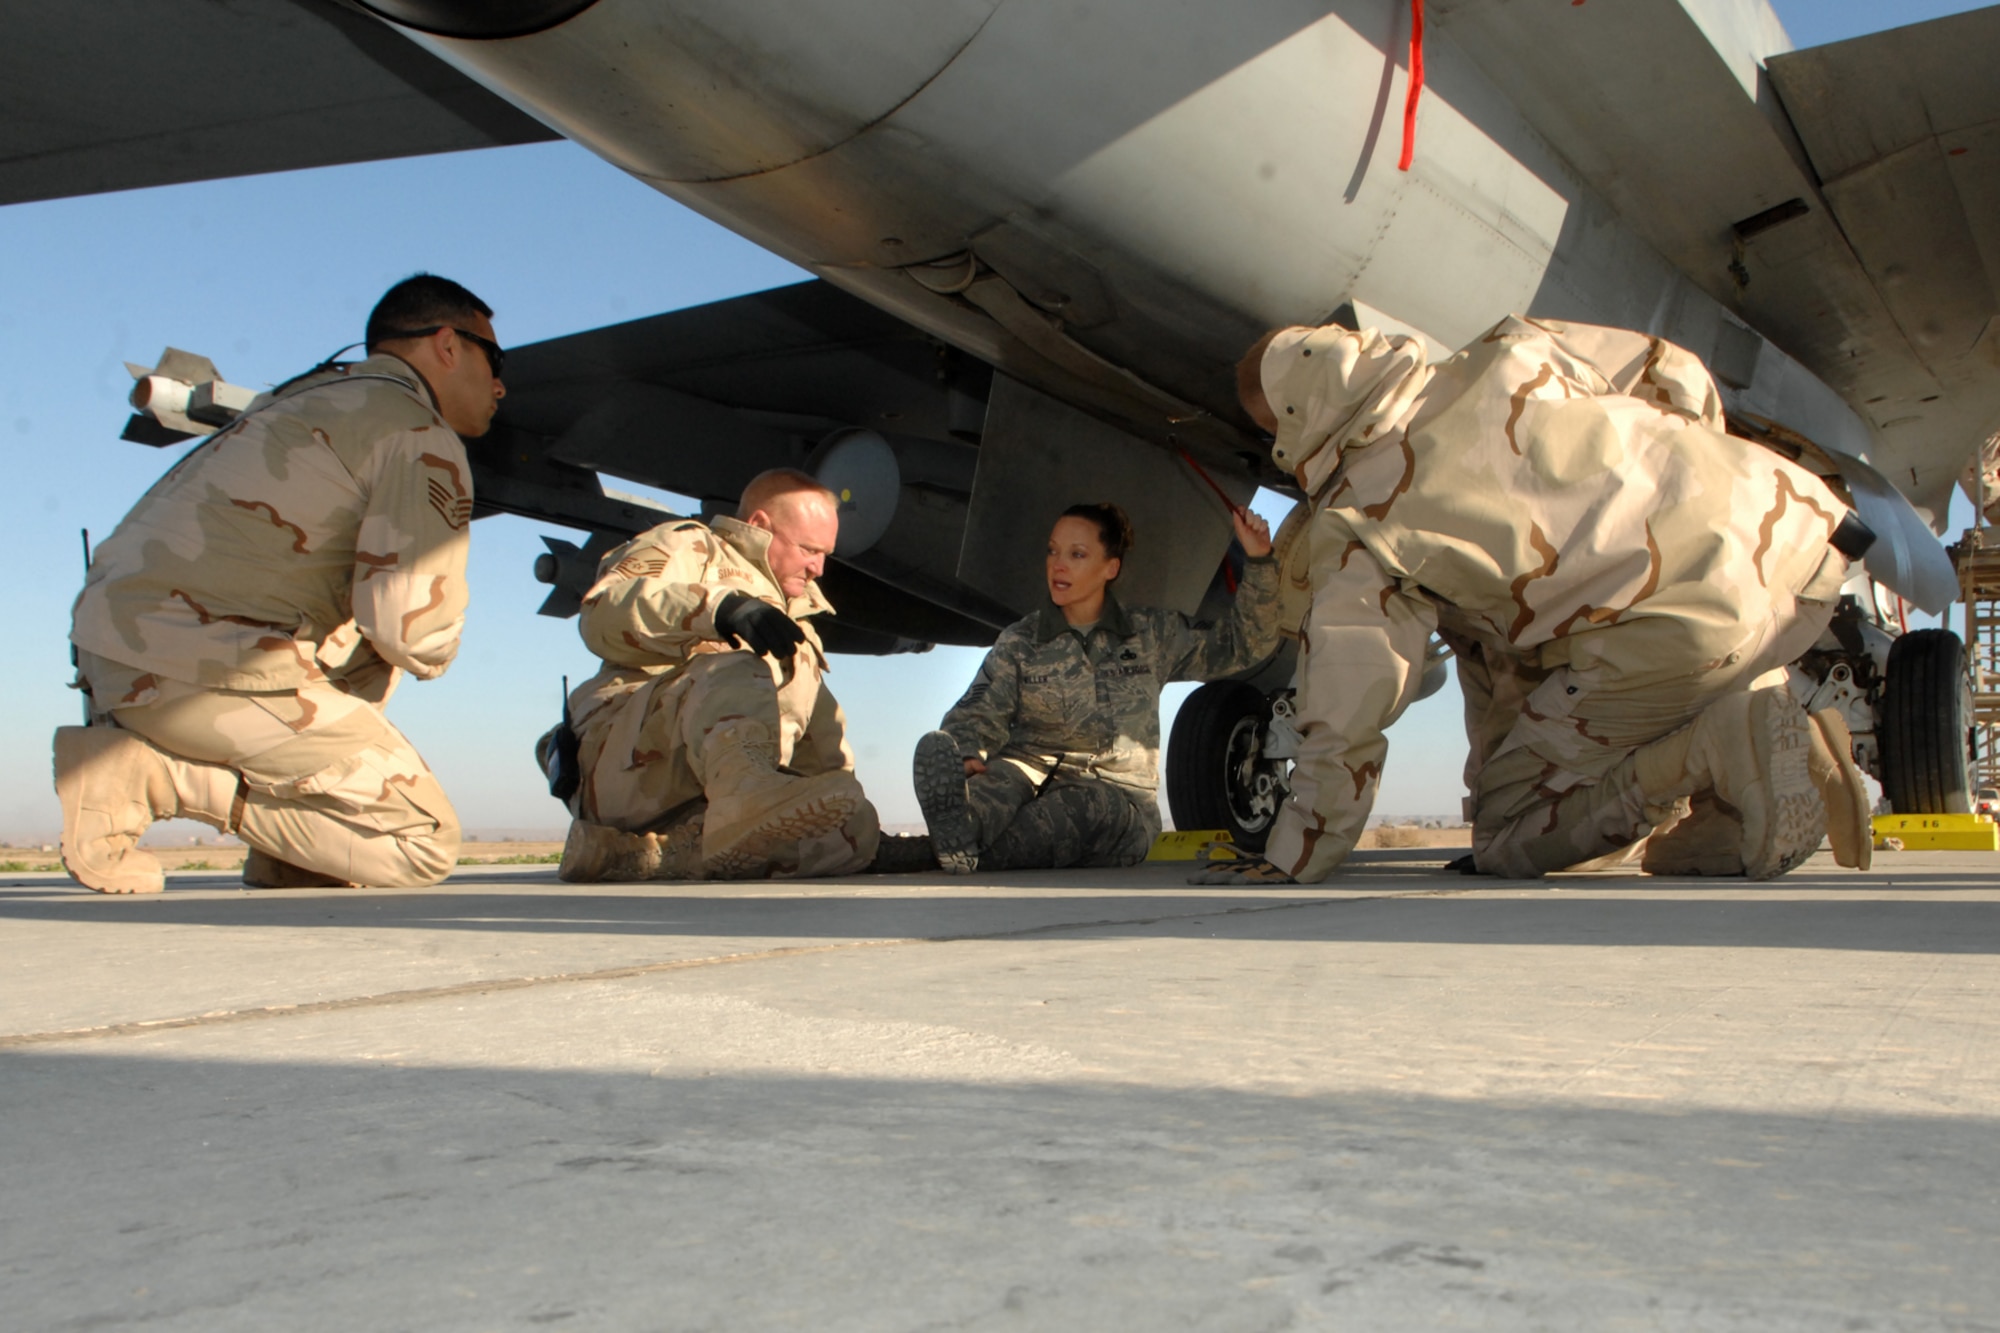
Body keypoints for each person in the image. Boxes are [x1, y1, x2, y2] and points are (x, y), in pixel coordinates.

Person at [1192, 313, 1875, 887]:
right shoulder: (1509, 347)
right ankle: (1738, 781)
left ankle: (1717, 739)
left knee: (1507, 837)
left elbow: (1346, 707)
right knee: (1570, 651)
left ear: (1291, 422)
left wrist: (1296, 855)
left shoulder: (1363, 515)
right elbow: (1676, 370)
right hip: (1805, 536)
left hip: (1684, 631)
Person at [57, 274, 505, 893]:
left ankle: (296, 851)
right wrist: (438, 644)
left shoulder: (298, 398)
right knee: (420, 845)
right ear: (448, 346)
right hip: (192, 669)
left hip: (116, 651)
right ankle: (157, 777)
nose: (501, 384)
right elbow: (413, 630)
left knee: (359, 642)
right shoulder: (415, 432)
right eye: (494, 358)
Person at [546, 469, 883, 881]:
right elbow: (601, 615)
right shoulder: (688, 546)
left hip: (713, 799)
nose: (819, 568)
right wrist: (718, 610)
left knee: (856, 829)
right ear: (759, 526)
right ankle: (740, 801)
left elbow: (821, 739)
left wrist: (841, 803)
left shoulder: (794, 619)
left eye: (825, 554)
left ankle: (646, 855)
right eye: (809, 549)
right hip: (629, 768)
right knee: (740, 665)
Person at [913, 501, 1281, 873]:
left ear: (1111, 568)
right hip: (1029, 770)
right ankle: (961, 832)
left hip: (1117, 795)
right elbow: (978, 710)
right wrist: (965, 754)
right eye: (1053, 551)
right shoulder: (1021, 641)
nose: (1058, 564)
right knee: (993, 787)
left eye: (1077, 554)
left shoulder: (1152, 635)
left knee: (1080, 809)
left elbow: (1244, 642)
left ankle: (938, 854)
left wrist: (1260, 560)